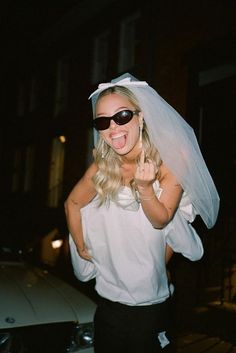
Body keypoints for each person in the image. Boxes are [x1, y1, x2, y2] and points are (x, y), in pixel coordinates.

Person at [64, 73, 219, 353]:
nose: (113, 128)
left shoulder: (170, 162)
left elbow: (161, 220)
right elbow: (72, 204)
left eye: (122, 116)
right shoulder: (102, 168)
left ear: (141, 117)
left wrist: (145, 188)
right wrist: (80, 243)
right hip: (108, 304)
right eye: (102, 122)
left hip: (148, 307)